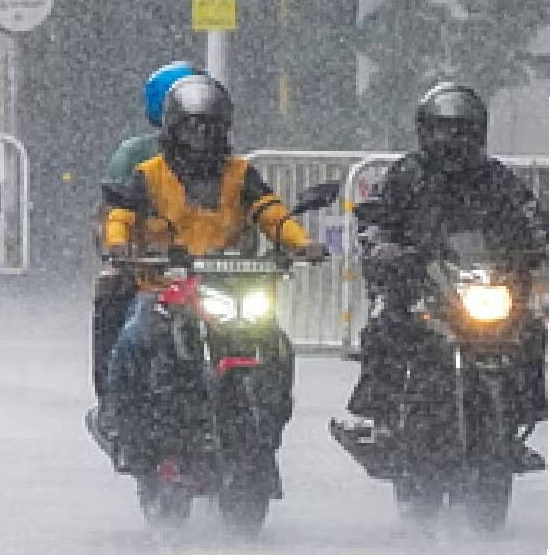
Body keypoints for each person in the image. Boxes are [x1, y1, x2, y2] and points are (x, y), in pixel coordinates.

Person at [97, 74, 324, 467]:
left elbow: (269, 211)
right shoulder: (148, 174)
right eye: (192, 127)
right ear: (172, 128)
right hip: (164, 288)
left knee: (277, 346)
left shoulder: (239, 174)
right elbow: (121, 215)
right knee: (134, 340)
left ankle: (266, 430)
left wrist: (300, 243)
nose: (201, 137)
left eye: (210, 126)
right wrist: (117, 244)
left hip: (233, 288)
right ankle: (123, 423)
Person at [343, 83, 547, 465]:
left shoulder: (496, 180)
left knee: (530, 330)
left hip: (483, 285)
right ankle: (381, 418)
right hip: (421, 285)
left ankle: (519, 418)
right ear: (425, 130)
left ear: (478, 132)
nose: (450, 138)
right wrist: (383, 246)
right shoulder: (407, 174)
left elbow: (531, 217)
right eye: (441, 128)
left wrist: (537, 243)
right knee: (387, 325)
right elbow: (376, 219)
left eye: (461, 129)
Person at [93, 62, 203, 415]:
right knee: (122, 317)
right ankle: (116, 403)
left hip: (209, 273)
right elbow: (110, 214)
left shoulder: (225, 158)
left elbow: (252, 208)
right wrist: (120, 247)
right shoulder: (135, 156)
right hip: (153, 275)